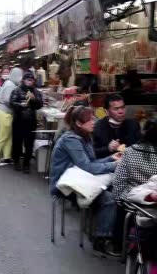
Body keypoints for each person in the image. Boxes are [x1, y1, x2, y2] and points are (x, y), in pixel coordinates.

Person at [50, 106, 120, 256]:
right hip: (66, 185)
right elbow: (88, 167)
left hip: (81, 179)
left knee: (113, 191)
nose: (93, 122)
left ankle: (98, 231)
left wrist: (111, 158)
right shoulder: (71, 140)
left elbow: (91, 162)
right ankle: (101, 239)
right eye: (89, 120)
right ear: (79, 123)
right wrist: (114, 165)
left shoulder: (85, 136)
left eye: (93, 118)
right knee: (109, 199)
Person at [113, 118, 157, 202]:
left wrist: (123, 199)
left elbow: (118, 184)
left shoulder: (130, 152)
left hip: (132, 204)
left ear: (143, 132)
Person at [10, 72, 43, 173]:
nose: (29, 81)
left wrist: (34, 99)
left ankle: (26, 164)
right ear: (23, 80)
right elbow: (11, 103)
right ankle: (16, 161)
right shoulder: (16, 90)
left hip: (31, 121)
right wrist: (20, 105)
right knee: (17, 142)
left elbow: (39, 105)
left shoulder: (36, 92)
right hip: (18, 120)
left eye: (31, 80)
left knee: (29, 144)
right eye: (27, 79)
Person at [0, 67, 23, 166]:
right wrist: (20, 104)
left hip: (3, 111)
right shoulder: (10, 85)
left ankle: (7, 157)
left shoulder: (10, 83)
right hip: (4, 112)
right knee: (3, 135)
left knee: (8, 136)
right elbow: (8, 100)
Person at [93, 94, 141, 159]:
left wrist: (122, 148)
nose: (121, 111)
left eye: (123, 107)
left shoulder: (133, 124)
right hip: (107, 165)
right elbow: (92, 152)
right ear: (107, 111)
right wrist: (108, 148)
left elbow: (140, 147)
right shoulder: (97, 127)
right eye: (116, 109)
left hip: (130, 164)